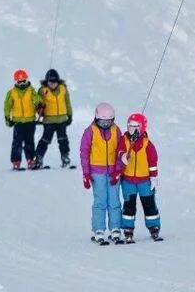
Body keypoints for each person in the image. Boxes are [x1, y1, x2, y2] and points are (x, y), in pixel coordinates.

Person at [80, 103, 123, 244]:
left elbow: (121, 151)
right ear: (97, 118)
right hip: (96, 173)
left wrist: (118, 171)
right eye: (103, 121)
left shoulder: (116, 131)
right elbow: (84, 153)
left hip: (113, 172)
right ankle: (99, 229)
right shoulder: (90, 131)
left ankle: (115, 228)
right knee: (100, 201)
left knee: (115, 201)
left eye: (109, 121)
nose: (106, 124)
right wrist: (86, 174)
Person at [117, 112, 161, 243]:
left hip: (145, 181)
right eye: (129, 126)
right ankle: (128, 229)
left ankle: (154, 226)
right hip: (128, 181)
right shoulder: (124, 140)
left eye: (135, 126)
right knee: (129, 205)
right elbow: (119, 151)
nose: (132, 129)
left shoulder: (147, 144)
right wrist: (123, 155)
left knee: (149, 205)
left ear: (142, 127)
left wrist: (153, 177)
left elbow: (153, 162)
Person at [34, 68, 72, 168]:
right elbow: (37, 104)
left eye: (55, 82)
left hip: (61, 120)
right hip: (49, 121)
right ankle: (38, 158)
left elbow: (67, 102)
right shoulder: (42, 91)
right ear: (47, 81)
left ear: (58, 81)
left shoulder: (63, 89)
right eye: (50, 82)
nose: (53, 84)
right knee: (45, 140)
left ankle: (65, 157)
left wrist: (70, 115)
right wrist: (39, 109)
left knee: (63, 139)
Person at [4, 70, 41, 170]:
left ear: (27, 80)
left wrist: (38, 102)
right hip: (18, 122)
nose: (21, 84)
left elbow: (37, 99)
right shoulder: (11, 93)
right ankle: (16, 162)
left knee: (29, 142)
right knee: (17, 142)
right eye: (19, 82)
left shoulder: (31, 90)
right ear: (15, 82)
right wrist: (7, 117)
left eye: (23, 81)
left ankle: (31, 160)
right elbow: (7, 106)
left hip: (30, 121)